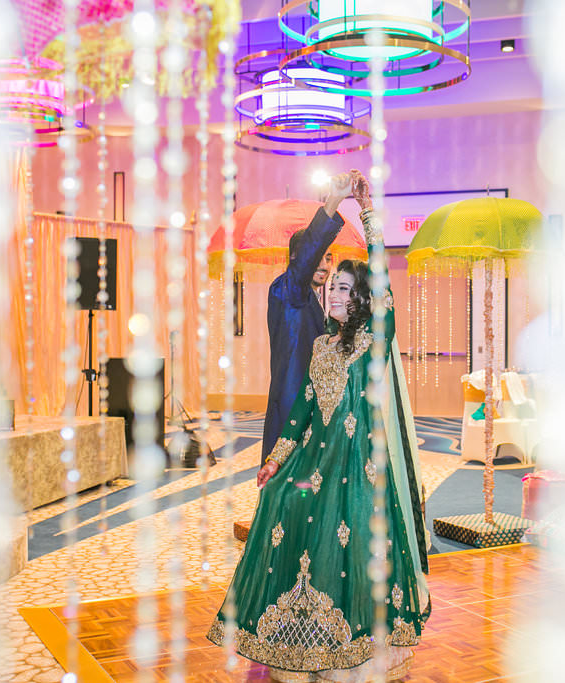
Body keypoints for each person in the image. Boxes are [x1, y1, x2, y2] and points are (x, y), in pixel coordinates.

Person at [208, 171, 430, 682]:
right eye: (322, 263)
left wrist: (371, 222)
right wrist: (332, 205)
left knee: (337, 536)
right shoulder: (288, 297)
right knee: (288, 520)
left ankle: (342, 638)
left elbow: (380, 293)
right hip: (300, 443)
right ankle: (289, 633)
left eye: (339, 276)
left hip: (350, 459)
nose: (327, 272)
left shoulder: (360, 339)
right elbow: (305, 405)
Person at [261, 172, 353, 466]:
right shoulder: (287, 289)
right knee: (286, 478)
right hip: (291, 404)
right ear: (297, 260)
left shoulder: (313, 299)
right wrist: (334, 200)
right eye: (317, 257)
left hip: (312, 404)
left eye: (328, 258)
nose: (325, 265)